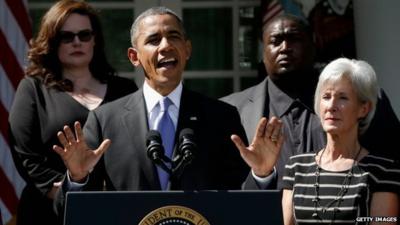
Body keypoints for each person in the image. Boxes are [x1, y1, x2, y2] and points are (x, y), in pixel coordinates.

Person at [52, 6, 250, 215]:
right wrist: (77, 178)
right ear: (134, 57)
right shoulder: (105, 120)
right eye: (154, 40)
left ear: (187, 49)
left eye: (173, 36)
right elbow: (69, 212)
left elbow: (246, 200)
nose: (166, 46)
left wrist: (262, 174)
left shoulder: (222, 117)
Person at [222, 14, 400, 189]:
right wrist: (261, 176)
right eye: (275, 41)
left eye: (295, 39)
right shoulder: (231, 110)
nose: (285, 48)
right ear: (262, 52)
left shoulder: (364, 100)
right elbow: (224, 187)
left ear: (314, 44)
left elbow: (392, 167)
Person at [8, 1, 138, 225]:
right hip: (50, 211)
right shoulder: (33, 88)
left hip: (116, 210)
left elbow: (138, 148)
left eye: (84, 35)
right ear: (52, 42)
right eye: (66, 37)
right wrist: (67, 188)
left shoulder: (125, 90)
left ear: (94, 40)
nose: (76, 42)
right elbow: (25, 155)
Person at [281, 58, 399, 224]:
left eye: (342, 98)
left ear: (363, 109)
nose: (331, 106)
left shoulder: (384, 172)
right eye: (326, 96)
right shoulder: (296, 167)